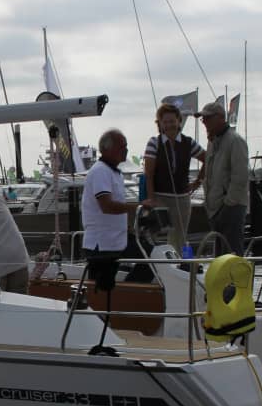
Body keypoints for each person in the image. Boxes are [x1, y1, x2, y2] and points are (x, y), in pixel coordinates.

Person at [82, 128, 151, 290]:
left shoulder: (114, 173)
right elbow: (106, 206)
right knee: (101, 288)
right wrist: (139, 206)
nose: (126, 149)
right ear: (108, 149)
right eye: (122, 146)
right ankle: (124, 296)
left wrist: (127, 227)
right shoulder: (100, 171)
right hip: (102, 243)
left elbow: (115, 205)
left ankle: (127, 293)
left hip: (117, 239)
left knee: (150, 258)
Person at [142, 102, 206, 254]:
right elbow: (148, 174)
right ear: (160, 124)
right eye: (165, 122)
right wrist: (151, 199)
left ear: (179, 121)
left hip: (182, 198)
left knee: (180, 236)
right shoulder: (154, 143)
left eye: (172, 121)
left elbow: (207, 159)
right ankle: (152, 265)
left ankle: (180, 265)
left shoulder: (188, 142)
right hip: (160, 196)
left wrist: (198, 182)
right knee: (153, 233)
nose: (169, 125)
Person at [196, 101, 249, 255]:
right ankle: (223, 280)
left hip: (231, 207)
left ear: (220, 118)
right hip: (216, 208)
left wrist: (228, 205)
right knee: (220, 255)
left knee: (232, 253)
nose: (204, 122)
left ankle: (236, 280)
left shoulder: (235, 140)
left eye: (207, 118)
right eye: (203, 119)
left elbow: (240, 177)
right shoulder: (212, 142)